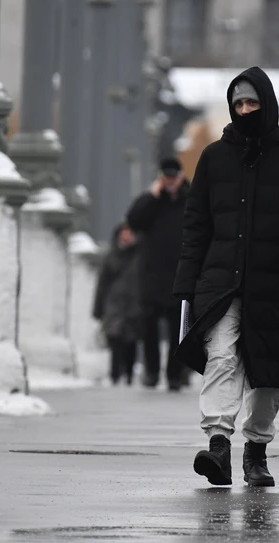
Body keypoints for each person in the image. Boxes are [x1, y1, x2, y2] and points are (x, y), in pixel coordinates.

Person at [173, 67, 279, 487]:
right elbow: (196, 225)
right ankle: (218, 445)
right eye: (237, 104)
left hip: (274, 285)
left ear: (267, 104)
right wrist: (185, 282)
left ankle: (255, 451)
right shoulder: (213, 159)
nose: (244, 110)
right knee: (222, 356)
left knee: (266, 372)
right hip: (220, 283)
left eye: (251, 103)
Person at [125, 157, 190, 391]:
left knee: (177, 330)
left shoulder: (190, 199)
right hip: (152, 275)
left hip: (179, 274)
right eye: (166, 176)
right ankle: (151, 372)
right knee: (148, 327)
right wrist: (152, 195)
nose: (170, 181)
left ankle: (174, 374)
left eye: (174, 176)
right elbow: (133, 220)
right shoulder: (152, 201)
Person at [93, 223, 143, 386]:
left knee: (131, 341)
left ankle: (128, 373)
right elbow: (102, 283)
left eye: (129, 232)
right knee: (115, 339)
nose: (126, 236)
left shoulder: (140, 255)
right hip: (114, 303)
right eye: (124, 232)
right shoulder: (111, 255)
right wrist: (98, 308)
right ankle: (114, 374)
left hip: (134, 303)